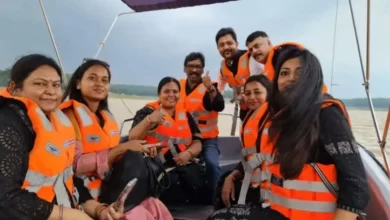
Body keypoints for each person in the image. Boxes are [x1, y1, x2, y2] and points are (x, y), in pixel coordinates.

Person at [209, 47, 370, 220]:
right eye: (284, 73)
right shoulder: (282, 118)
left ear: (313, 78)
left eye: (299, 72)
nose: (291, 78)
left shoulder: (327, 114)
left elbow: (356, 186)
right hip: (279, 210)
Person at [0, 54, 124, 220]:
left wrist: (99, 210)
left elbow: (67, 179)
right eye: (40, 84)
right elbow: (5, 199)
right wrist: (70, 215)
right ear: (15, 88)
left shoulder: (57, 121)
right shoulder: (8, 124)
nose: (50, 91)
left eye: (56, 85)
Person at [59, 58, 173, 220]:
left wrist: (141, 150)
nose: (99, 83)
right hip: (86, 196)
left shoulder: (107, 117)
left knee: (155, 205)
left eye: (104, 80)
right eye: (92, 78)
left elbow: (112, 154)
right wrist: (123, 148)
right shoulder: (69, 116)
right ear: (78, 83)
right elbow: (75, 166)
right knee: (139, 213)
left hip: (113, 187)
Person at [129, 77, 205, 204]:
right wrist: (149, 121)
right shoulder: (147, 112)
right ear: (159, 94)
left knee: (200, 180)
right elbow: (132, 138)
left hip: (184, 164)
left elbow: (197, 142)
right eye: (166, 91)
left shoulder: (185, 114)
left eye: (175, 92)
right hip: (157, 167)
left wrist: (189, 153)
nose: (171, 95)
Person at [214, 74, 272, 210]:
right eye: (248, 93)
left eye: (257, 92)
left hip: (267, 190)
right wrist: (232, 176)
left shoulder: (275, 121)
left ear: (269, 94)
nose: (252, 97)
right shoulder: (250, 118)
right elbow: (250, 158)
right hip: (253, 180)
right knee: (223, 180)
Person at [178, 52, 225, 204]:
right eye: (190, 66)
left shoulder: (208, 89)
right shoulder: (177, 86)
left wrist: (211, 88)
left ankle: (215, 201)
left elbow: (219, 105)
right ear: (185, 68)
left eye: (198, 67)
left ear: (203, 69)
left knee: (211, 164)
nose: (194, 70)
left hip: (207, 140)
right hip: (183, 140)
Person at [245, 30, 329, 93]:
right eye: (251, 50)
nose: (254, 51)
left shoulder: (282, 55)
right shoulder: (270, 65)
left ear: (269, 43)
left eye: (257, 46)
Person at [215, 27, 264, 121]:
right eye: (221, 45)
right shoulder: (222, 69)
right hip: (244, 108)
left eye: (229, 43)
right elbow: (218, 90)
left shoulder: (252, 58)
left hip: (262, 108)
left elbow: (266, 80)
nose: (225, 47)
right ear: (218, 48)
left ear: (236, 44)